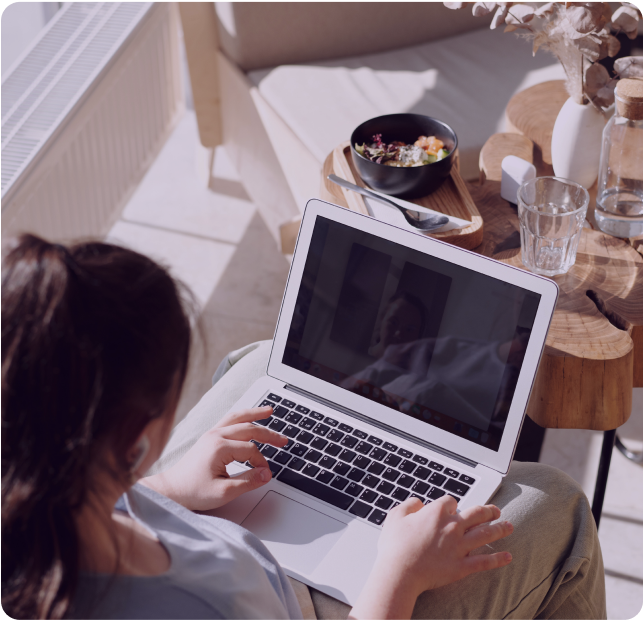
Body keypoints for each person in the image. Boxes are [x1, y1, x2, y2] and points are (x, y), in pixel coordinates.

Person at [1, 235, 606, 620]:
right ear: (135, 434)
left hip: (202, 528)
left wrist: (159, 493)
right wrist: (402, 573)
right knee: (560, 505)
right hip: (320, 606)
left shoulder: (34, 508)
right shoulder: (192, 606)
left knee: (259, 359)